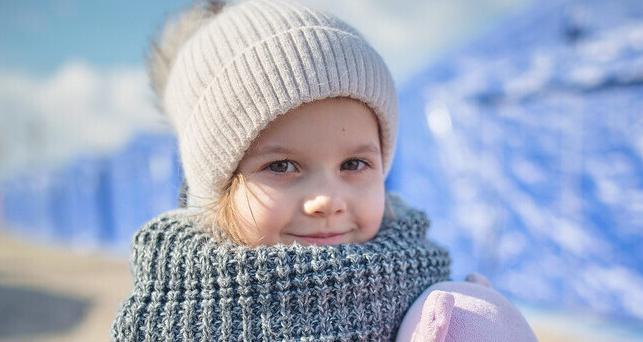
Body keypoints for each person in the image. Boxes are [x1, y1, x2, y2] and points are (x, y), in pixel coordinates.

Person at [111, 0, 463, 340]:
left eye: (353, 164)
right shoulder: (172, 318)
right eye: (281, 166)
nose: (327, 200)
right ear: (216, 188)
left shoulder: (432, 296)